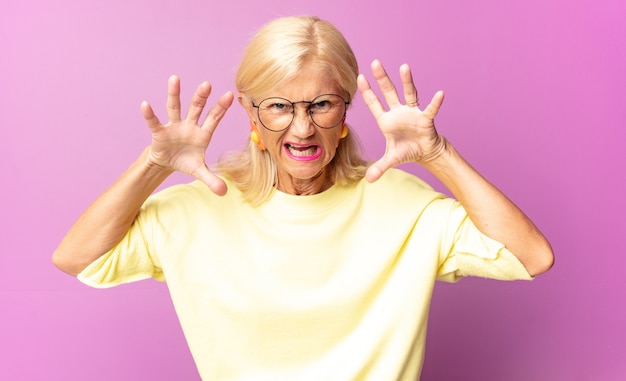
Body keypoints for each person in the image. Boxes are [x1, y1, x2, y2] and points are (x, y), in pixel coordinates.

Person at [52, 15, 553, 381]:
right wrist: (154, 164)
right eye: (278, 106)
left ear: (345, 109)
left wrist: (438, 154)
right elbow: (76, 257)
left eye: (321, 104)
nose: (301, 127)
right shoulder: (198, 209)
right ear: (250, 114)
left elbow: (532, 256)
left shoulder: (403, 204)